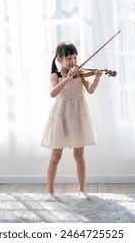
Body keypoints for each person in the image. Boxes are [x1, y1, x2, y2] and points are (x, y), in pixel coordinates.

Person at [41, 41, 103, 201]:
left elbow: (90, 90)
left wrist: (96, 78)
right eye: (69, 58)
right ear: (59, 59)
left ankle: (81, 190)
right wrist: (68, 78)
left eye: (75, 58)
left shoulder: (81, 74)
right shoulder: (56, 76)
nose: (73, 61)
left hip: (77, 117)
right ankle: (49, 191)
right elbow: (53, 93)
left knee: (79, 155)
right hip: (61, 117)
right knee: (56, 156)